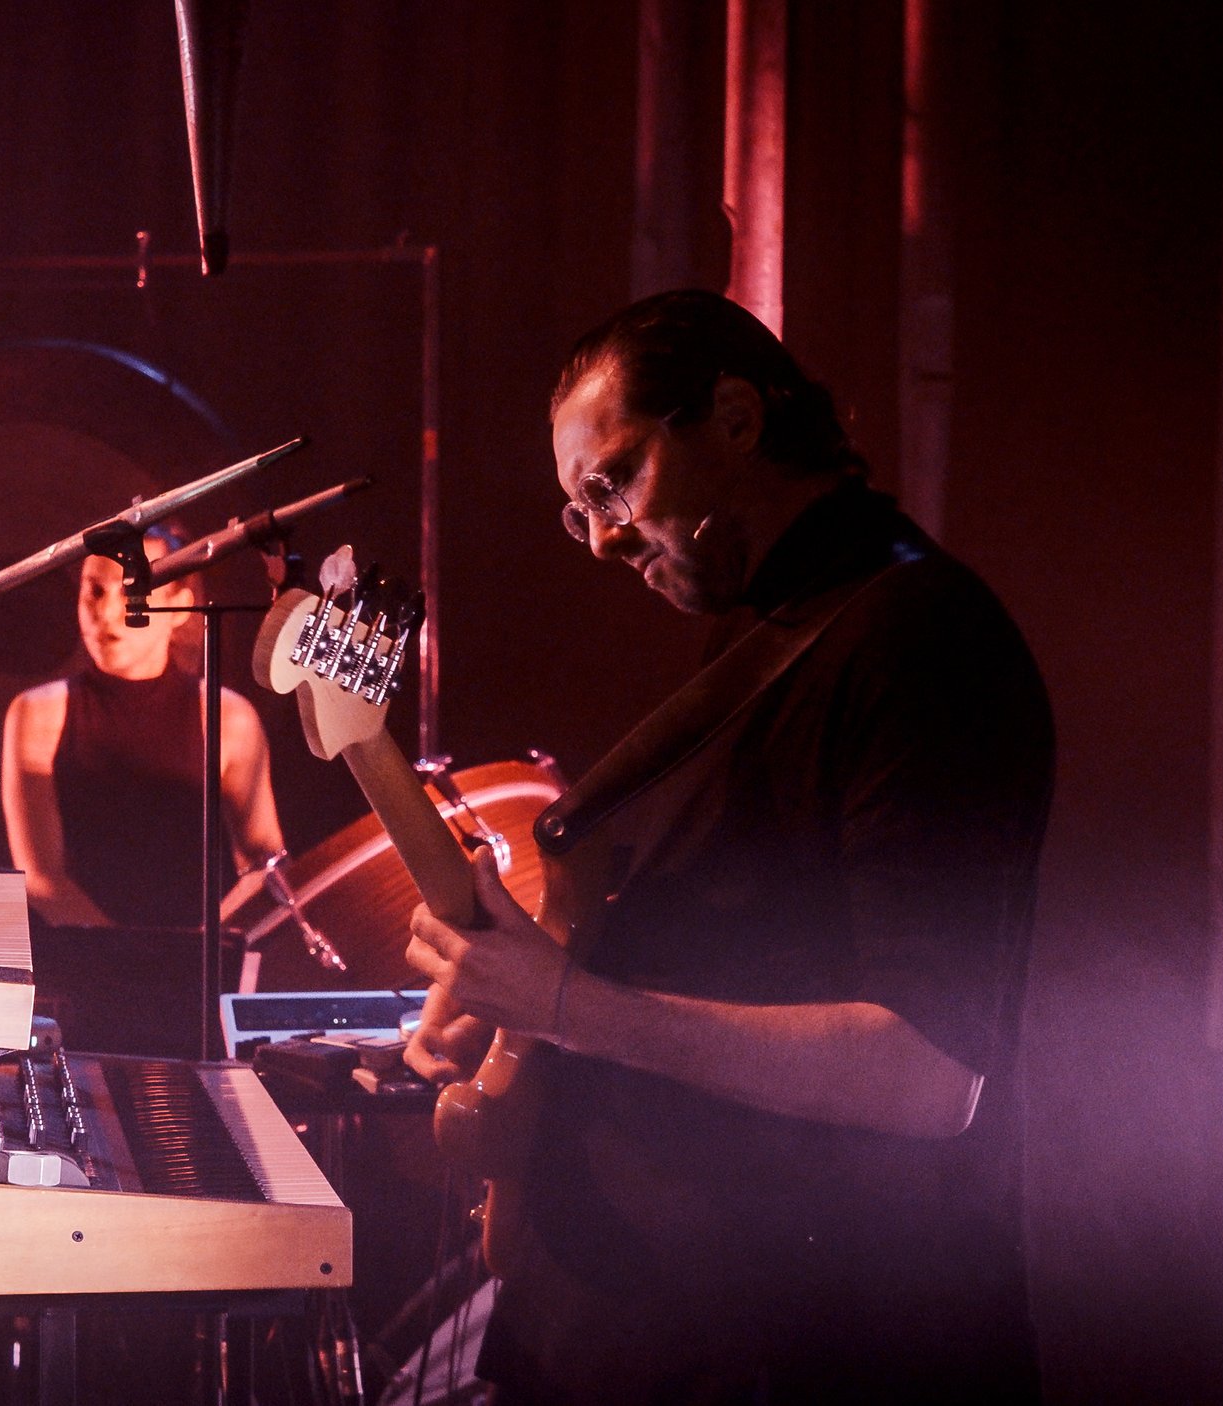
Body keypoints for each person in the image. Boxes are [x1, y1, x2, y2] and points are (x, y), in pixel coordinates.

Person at [403, 290, 1053, 1403]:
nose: (603, 537)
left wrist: (567, 1004)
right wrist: (523, 1004)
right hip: (636, 1336)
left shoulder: (919, 637)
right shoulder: (765, 632)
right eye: (579, 510)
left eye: (614, 483)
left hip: (798, 1351)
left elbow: (927, 1069)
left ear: (737, 419)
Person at [1, 533, 285, 928]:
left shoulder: (229, 718)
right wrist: (132, 958)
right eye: (94, 592)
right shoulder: (37, 714)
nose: (106, 613)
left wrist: (202, 947)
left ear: (181, 607)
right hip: (82, 962)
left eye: (132, 592)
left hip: (197, 965)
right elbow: (41, 876)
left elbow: (265, 863)